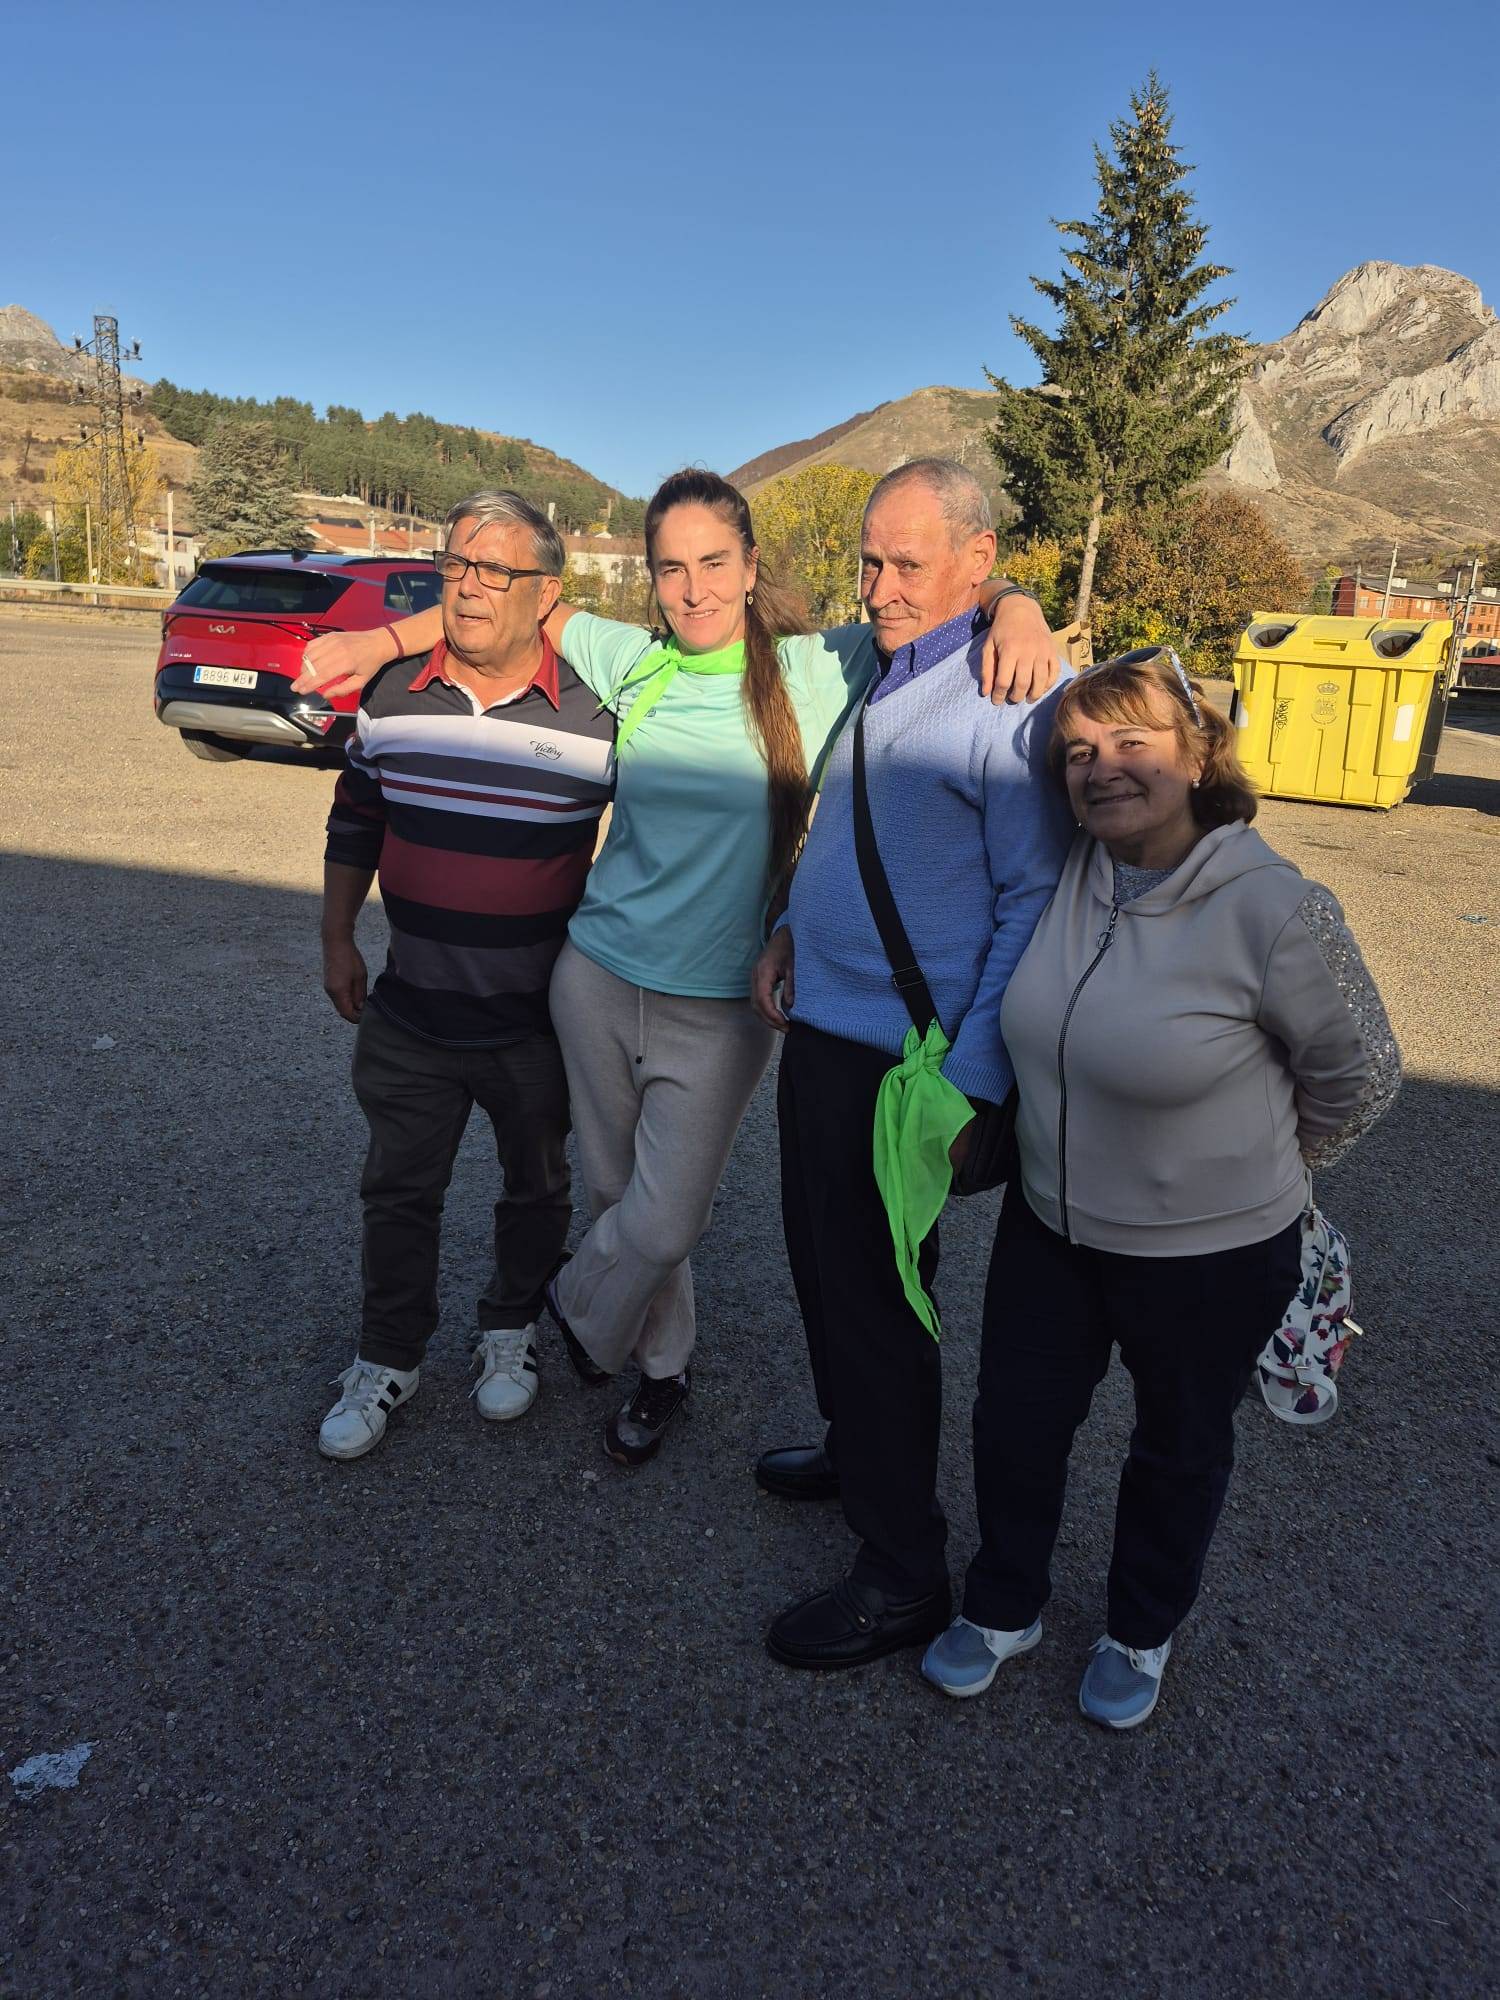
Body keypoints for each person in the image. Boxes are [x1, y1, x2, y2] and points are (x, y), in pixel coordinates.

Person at [300, 467, 1060, 1467]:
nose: (693, 589)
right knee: (618, 1195)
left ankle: (565, 1307)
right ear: (651, 578)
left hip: (721, 1008)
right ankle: (662, 1371)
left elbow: (941, 594)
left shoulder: (824, 664)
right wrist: (373, 638)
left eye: (714, 563)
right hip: (595, 979)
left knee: (662, 1219)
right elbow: (507, 595)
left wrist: (1017, 604)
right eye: (670, 568)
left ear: (750, 569)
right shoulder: (633, 660)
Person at [920, 647, 1401, 1727]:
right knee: (1014, 1424)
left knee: (1178, 1444)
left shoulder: (1273, 903)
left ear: (1198, 752)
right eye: (1079, 751)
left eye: (1133, 741)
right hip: (1052, 1223)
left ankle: (1140, 1630)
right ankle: (1005, 1604)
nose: (1102, 768)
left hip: (1212, 1250)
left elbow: (1361, 1072)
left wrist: (1263, 1169)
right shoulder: (1074, 867)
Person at [749, 459, 1076, 1671]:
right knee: (827, 1278)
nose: (881, 585)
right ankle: (856, 1449)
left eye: (909, 563)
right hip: (826, 1036)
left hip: (909, 1071)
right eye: (870, 562)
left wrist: (967, 1086)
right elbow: (848, 832)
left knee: (884, 1307)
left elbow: (1031, 898)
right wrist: (790, 925)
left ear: (977, 562)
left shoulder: (1009, 689)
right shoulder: (893, 671)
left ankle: (901, 1575)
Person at [317, 490, 614, 1461]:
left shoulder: (598, 708)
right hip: (411, 1009)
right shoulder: (394, 691)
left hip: (539, 1019)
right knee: (397, 1189)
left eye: (496, 569)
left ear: (548, 594)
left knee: (536, 1187)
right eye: (457, 563)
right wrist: (335, 938)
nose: (470, 583)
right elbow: (356, 814)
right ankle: (388, 1356)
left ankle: (508, 1333)